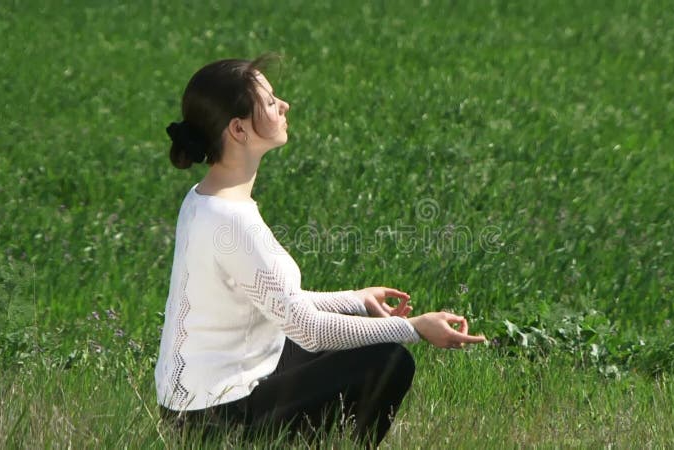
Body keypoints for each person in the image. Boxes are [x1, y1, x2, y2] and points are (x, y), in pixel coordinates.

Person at [154, 55, 486, 446]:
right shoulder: (233, 222)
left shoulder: (202, 198)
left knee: (353, 338)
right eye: (271, 101)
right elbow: (308, 329)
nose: (284, 105)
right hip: (218, 421)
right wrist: (415, 328)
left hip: (193, 410)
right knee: (387, 361)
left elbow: (277, 304)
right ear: (239, 129)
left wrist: (355, 301)